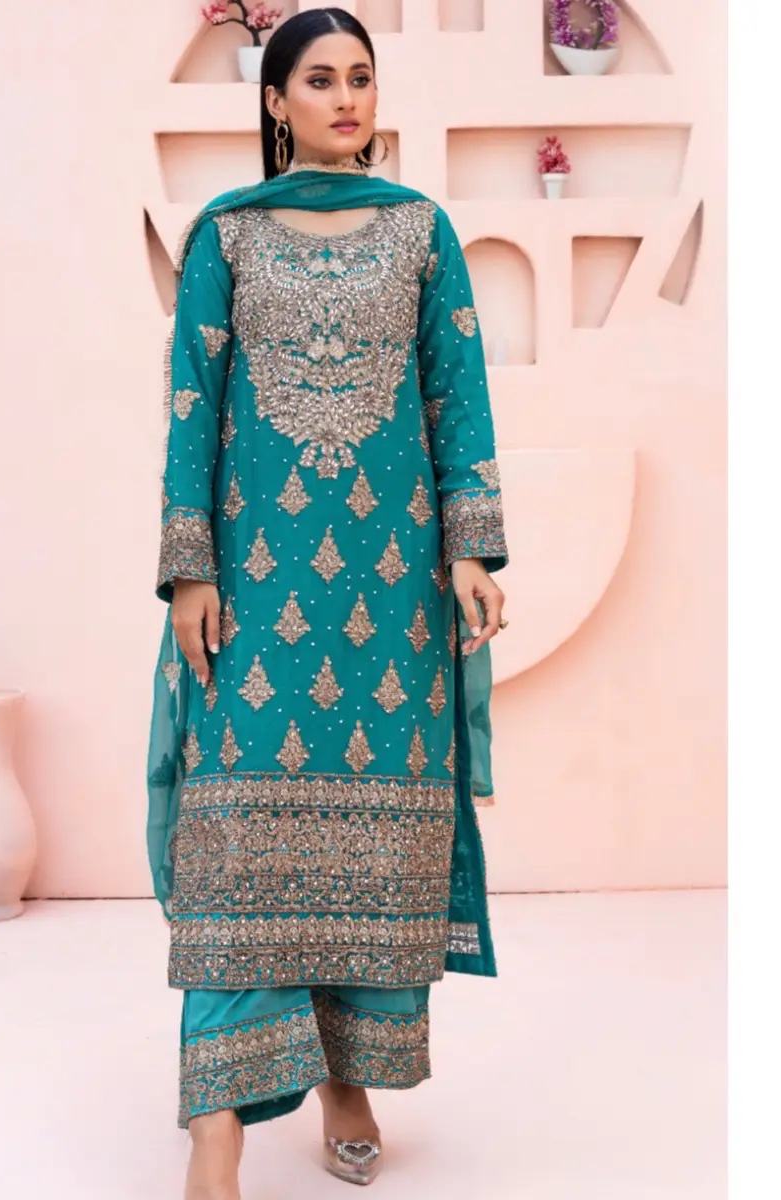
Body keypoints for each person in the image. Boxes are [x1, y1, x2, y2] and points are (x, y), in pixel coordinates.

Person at [146, 8, 509, 1196]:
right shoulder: (228, 234)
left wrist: (473, 551)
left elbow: (457, 392)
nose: (347, 97)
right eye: (320, 79)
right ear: (276, 102)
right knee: (235, 844)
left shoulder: (422, 231)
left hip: (392, 586)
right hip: (256, 583)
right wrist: (190, 566)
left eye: (361, 77)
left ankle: (348, 1078)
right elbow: (192, 402)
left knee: (379, 841)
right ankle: (217, 1127)